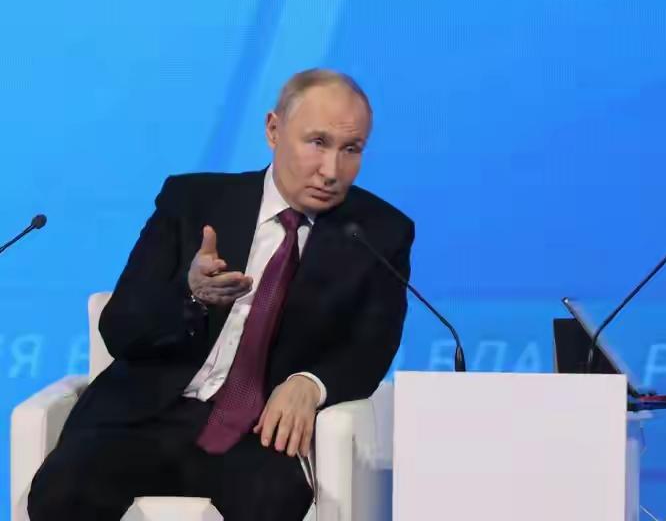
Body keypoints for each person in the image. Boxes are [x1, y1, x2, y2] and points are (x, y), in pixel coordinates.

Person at [29, 69, 412, 521]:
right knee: (62, 492)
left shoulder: (378, 232)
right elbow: (119, 329)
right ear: (273, 130)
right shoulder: (192, 201)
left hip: (257, 435)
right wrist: (190, 295)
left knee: (274, 500)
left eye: (351, 149)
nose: (331, 171)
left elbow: (371, 346)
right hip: (145, 416)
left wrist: (310, 383)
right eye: (317, 143)